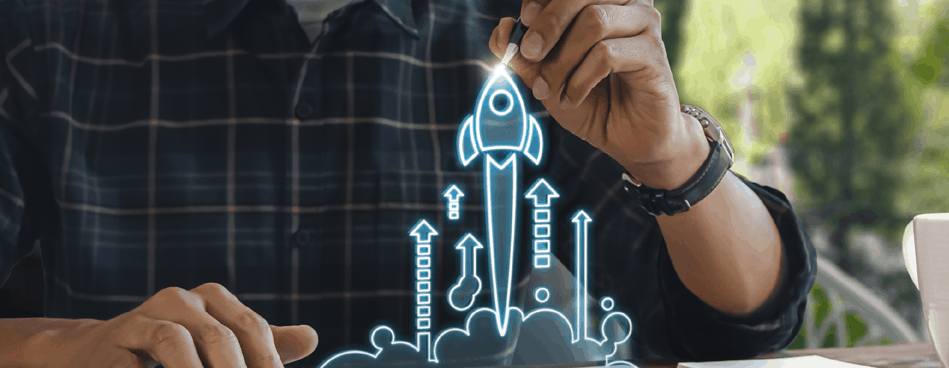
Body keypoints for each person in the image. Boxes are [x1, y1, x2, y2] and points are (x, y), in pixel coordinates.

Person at [0, 0, 817, 367]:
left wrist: (671, 153)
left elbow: (738, 328)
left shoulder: (531, 35)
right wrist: (62, 348)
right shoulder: (47, 29)